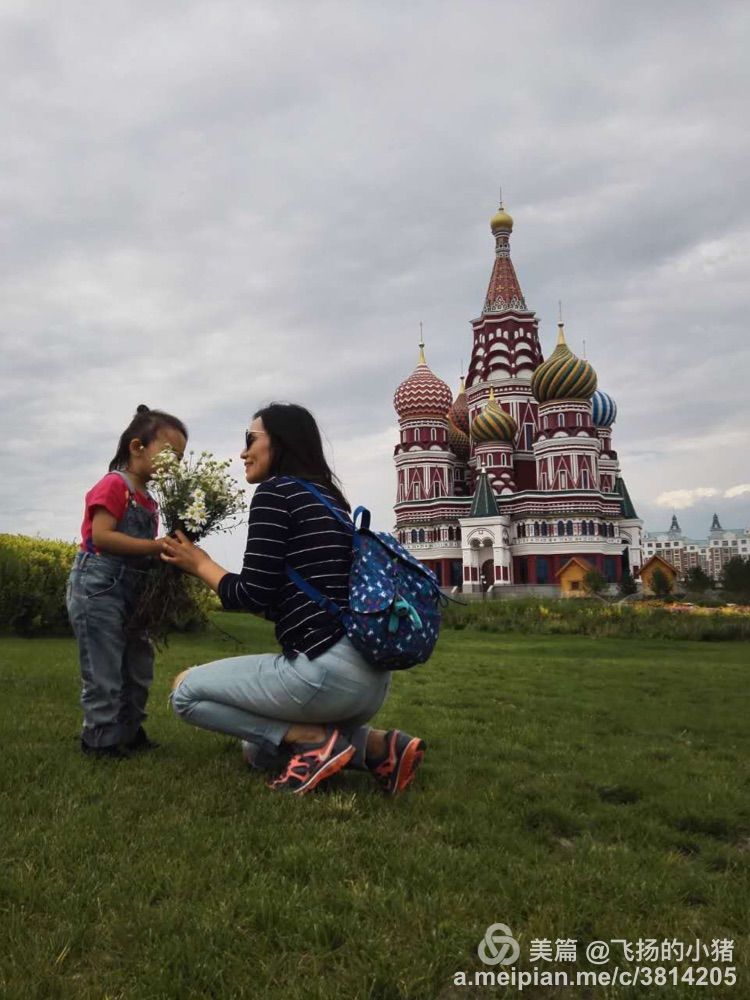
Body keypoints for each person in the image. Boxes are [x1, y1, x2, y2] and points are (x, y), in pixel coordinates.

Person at [165, 402, 426, 796]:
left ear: (279, 443)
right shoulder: (331, 501)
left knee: (185, 692)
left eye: (250, 439)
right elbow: (282, 601)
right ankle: (378, 747)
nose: (242, 452)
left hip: (325, 675)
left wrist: (199, 563)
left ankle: (312, 739)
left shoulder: (276, 492)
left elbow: (250, 593)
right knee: (257, 750)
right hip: (371, 681)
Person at [67, 404, 188, 758]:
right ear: (137, 447)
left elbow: (143, 550)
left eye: (179, 459)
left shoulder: (148, 500)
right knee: (104, 670)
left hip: (133, 589)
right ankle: (99, 740)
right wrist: (154, 546)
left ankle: (130, 730)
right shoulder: (113, 486)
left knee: (138, 666)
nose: (174, 466)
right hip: (98, 586)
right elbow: (103, 537)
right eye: (169, 455)